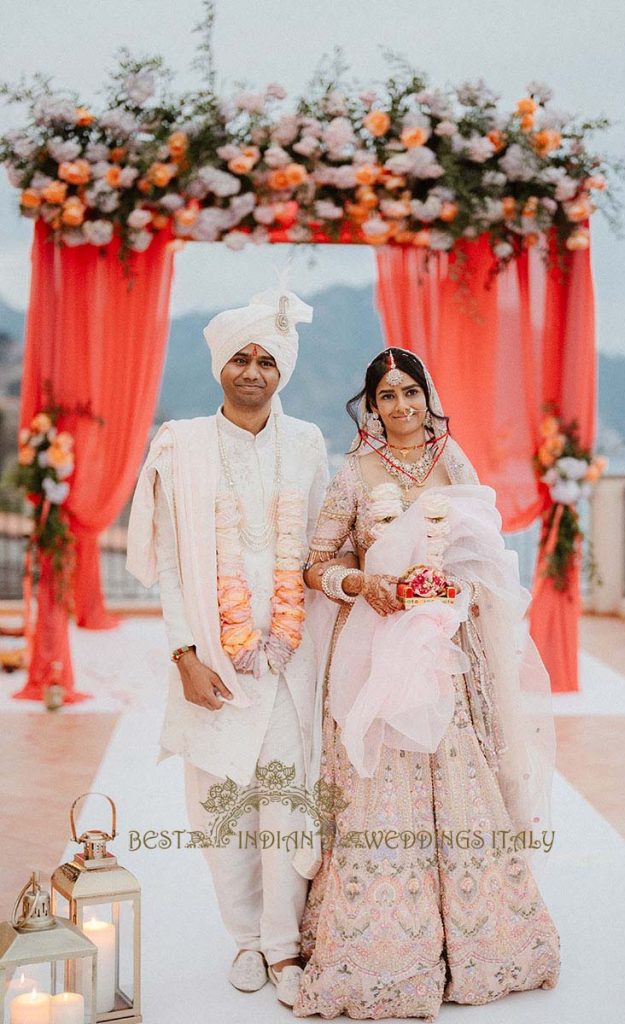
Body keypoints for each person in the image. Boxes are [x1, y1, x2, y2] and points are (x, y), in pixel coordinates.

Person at [292, 347, 561, 1021]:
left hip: (448, 651)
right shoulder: (352, 473)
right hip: (375, 653)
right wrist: (361, 583)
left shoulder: (453, 460)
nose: (402, 407)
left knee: (457, 784)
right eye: (387, 397)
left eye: (410, 393)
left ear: (426, 395)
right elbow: (315, 563)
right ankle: (386, 951)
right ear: (371, 406)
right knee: (383, 791)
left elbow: (489, 557)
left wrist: (454, 592)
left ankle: (480, 943)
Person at [126, 284, 333, 1008]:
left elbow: (319, 547)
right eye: (240, 358)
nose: (252, 371)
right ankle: (245, 937)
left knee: (288, 801)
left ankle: (283, 947)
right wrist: (186, 656)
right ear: (220, 364)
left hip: (290, 656)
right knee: (222, 802)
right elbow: (174, 564)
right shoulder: (181, 443)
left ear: (282, 371)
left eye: (266, 360)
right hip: (212, 659)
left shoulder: (307, 443)